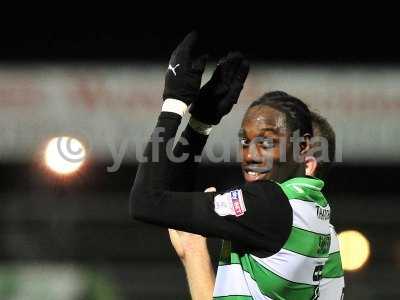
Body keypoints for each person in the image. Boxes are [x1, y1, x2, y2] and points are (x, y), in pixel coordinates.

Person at [130, 32, 331, 299]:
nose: (250, 155)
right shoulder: (318, 215)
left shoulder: (268, 205)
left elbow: (147, 201)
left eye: (267, 143)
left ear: (303, 149)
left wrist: (174, 104)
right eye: (245, 142)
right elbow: (169, 203)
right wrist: (200, 124)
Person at [169, 111, 345, 300]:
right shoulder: (327, 236)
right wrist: (193, 251)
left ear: (306, 167)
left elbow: (149, 200)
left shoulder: (270, 219)